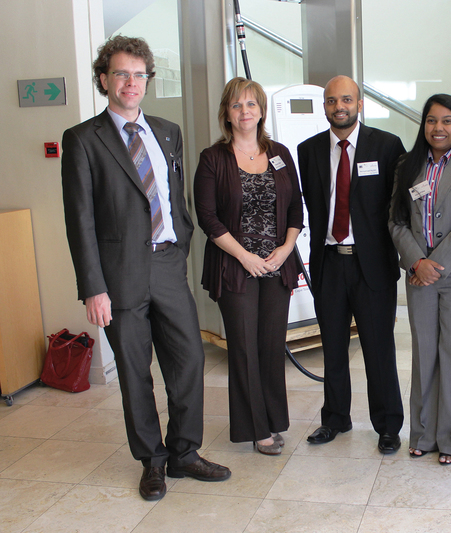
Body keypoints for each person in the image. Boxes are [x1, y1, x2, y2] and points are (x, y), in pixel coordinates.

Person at [61, 35, 231, 502]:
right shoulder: (82, 140)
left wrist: (182, 240)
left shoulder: (167, 130)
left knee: (189, 360)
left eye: (139, 74)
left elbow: (174, 197)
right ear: (104, 79)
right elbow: (80, 221)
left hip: (167, 264)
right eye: (121, 73)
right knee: (136, 371)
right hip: (119, 277)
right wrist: (93, 289)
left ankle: (184, 452)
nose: (131, 82)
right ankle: (151, 462)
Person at [194, 77, 303, 456]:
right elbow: (207, 218)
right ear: (226, 112)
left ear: (261, 110)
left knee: (271, 347)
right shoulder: (213, 158)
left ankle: (274, 420)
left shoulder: (280, 153)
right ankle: (257, 429)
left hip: (277, 265)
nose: (245, 112)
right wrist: (245, 256)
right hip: (236, 267)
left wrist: (287, 249)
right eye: (237, 105)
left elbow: (295, 209)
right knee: (243, 347)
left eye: (251, 104)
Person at [297, 75, 406, 453]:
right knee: (333, 347)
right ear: (324, 106)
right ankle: (335, 419)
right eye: (331, 100)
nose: (338, 106)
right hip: (329, 263)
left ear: (360, 104)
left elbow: (400, 206)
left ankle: (388, 425)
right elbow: (310, 205)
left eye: (346, 99)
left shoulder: (388, 146)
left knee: (379, 347)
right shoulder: (307, 150)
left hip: (372, 265)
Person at [389, 94, 451, 465]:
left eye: (447, 121)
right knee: (425, 353)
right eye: (432, 121)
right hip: (419, 276)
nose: (439, 128)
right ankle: (422, 433)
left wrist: (435, 264)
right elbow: (396, 220)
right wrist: (417, 262)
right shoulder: (407, 164)